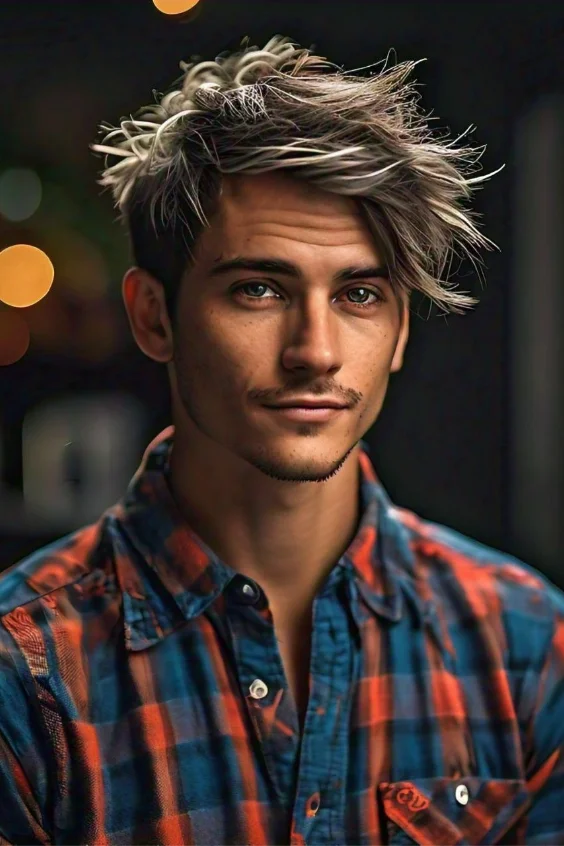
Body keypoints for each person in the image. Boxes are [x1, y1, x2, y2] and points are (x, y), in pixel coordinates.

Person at [0, 35, 562, 846]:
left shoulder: (527, 645)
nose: (316, 350)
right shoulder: (26, 677)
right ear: (153, 316)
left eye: (360, 294)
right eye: (259, 289)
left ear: (401, 330)